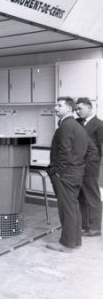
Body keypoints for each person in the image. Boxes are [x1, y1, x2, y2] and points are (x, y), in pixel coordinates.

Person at [47, 96, 90, 252]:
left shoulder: (65, 126)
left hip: (65, 175)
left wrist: (57, 172)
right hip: (76, 172)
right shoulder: (79, 126)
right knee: (73, 208)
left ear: (69, 109)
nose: (55, 108)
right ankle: (75, 241)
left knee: (66, 209)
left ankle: (66, 244)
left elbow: (64, 152)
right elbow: (89, 150)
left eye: (59, 105)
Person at [75, 97, 103, 237]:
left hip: (91, 167)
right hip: (77, 166)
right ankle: (84, 225)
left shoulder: (99, 125)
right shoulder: (77, 123)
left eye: (80, 108)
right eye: (76, 109)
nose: (77, 111)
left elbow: (101, 149)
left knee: (92, 196)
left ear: (89, 108)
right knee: (80, 196)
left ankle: (95, 227)